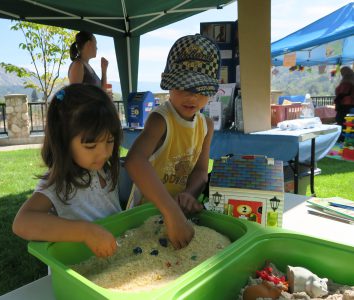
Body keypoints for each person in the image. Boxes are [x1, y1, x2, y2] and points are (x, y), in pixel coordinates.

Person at [125, 34, 219, 250]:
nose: (192, 97)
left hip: (177, 215)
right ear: (170, 85)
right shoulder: (161, 120)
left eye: (200, 90)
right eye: (184, 86)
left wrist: (189, 194)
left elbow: (200, 171)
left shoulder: (206, 126)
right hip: (145, 215)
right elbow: (134, 161)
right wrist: (171, 212)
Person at [12, 84, 122, 258]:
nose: (104, 153)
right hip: (80, 269)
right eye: (91, 145)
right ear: (64, 143)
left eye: (110, 141)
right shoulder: (60, 183)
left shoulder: (102, 169)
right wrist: (86, 232)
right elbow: (22, 223)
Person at [334, 66, 354, 141]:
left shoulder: (343, 83)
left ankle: (342, 139)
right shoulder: (351, 82)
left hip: (342, 107)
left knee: (342, 123)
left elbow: (337, 92)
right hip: (350, 107)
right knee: (350, 125)